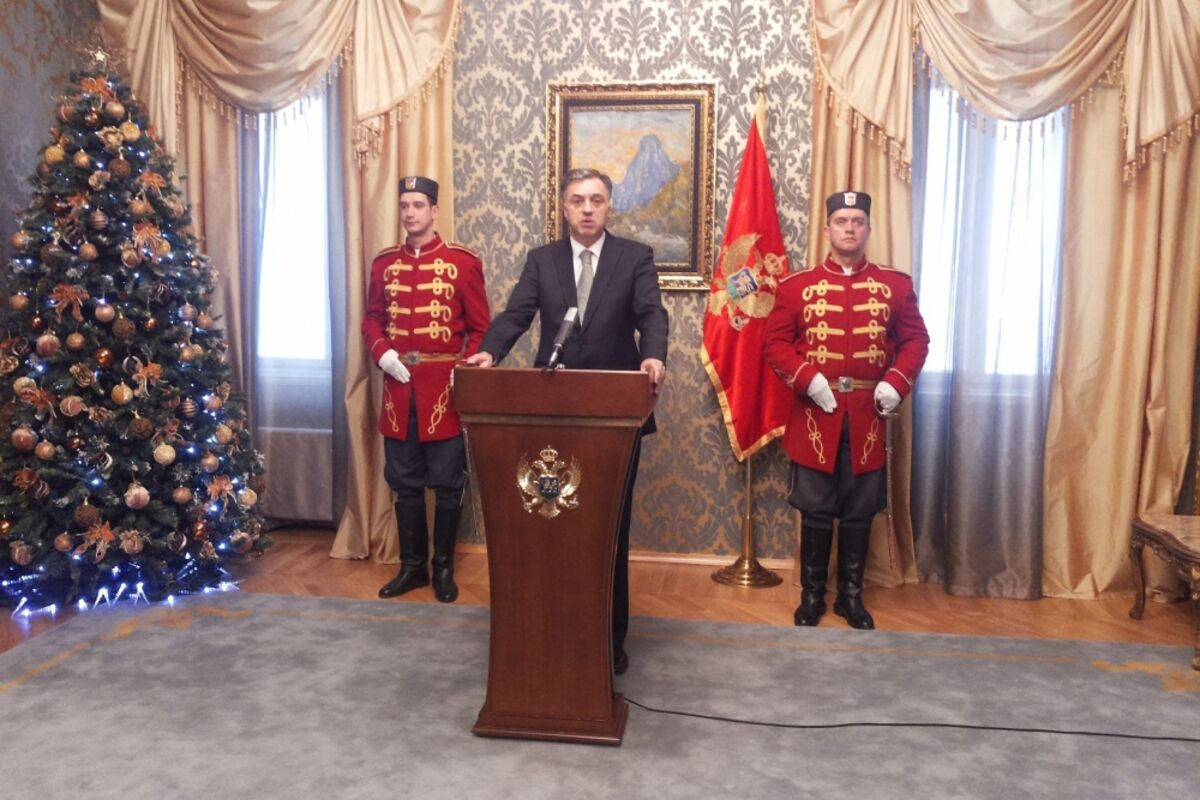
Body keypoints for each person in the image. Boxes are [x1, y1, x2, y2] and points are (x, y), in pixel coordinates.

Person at [465, 167, 668, 673]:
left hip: (616, 417)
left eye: (596, 199)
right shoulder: (543, 261)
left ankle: (608, 639)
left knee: (608, 530)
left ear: (609, 206)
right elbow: (517, 314)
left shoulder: (634, 257)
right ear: (563, 207)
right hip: (549, 413)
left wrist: (653, 355)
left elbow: (651, 315)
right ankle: (549, 627)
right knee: (549, 527)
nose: (587, 208)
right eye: (577, 200)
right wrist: (490, 352)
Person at [763, 191, 928, 630]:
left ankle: (851, 597)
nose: (849, 228)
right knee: (815, 508)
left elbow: (916, 340)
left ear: (868, 229)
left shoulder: (896, 285)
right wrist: (807, 378)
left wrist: (896, 382)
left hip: (869, 414)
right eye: (841, 221)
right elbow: (774, 343)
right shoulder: (796, 286)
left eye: (857, 221)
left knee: (859, 509)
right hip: (814, 414)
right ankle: (812, 596)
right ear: (827, 230)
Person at [363, 175, 491, 603]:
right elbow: (372, 319)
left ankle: (443, 569)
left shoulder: (462, 262)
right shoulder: (384, 264)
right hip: (398, 388)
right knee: (405, 481)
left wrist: (464, 369)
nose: (410, 213)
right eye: (405, 206)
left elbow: (480, 329)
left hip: (445, 391)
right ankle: (412, 567)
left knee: (449, 483)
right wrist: (383, 353)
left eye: (418, 205)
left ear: (434, 210)